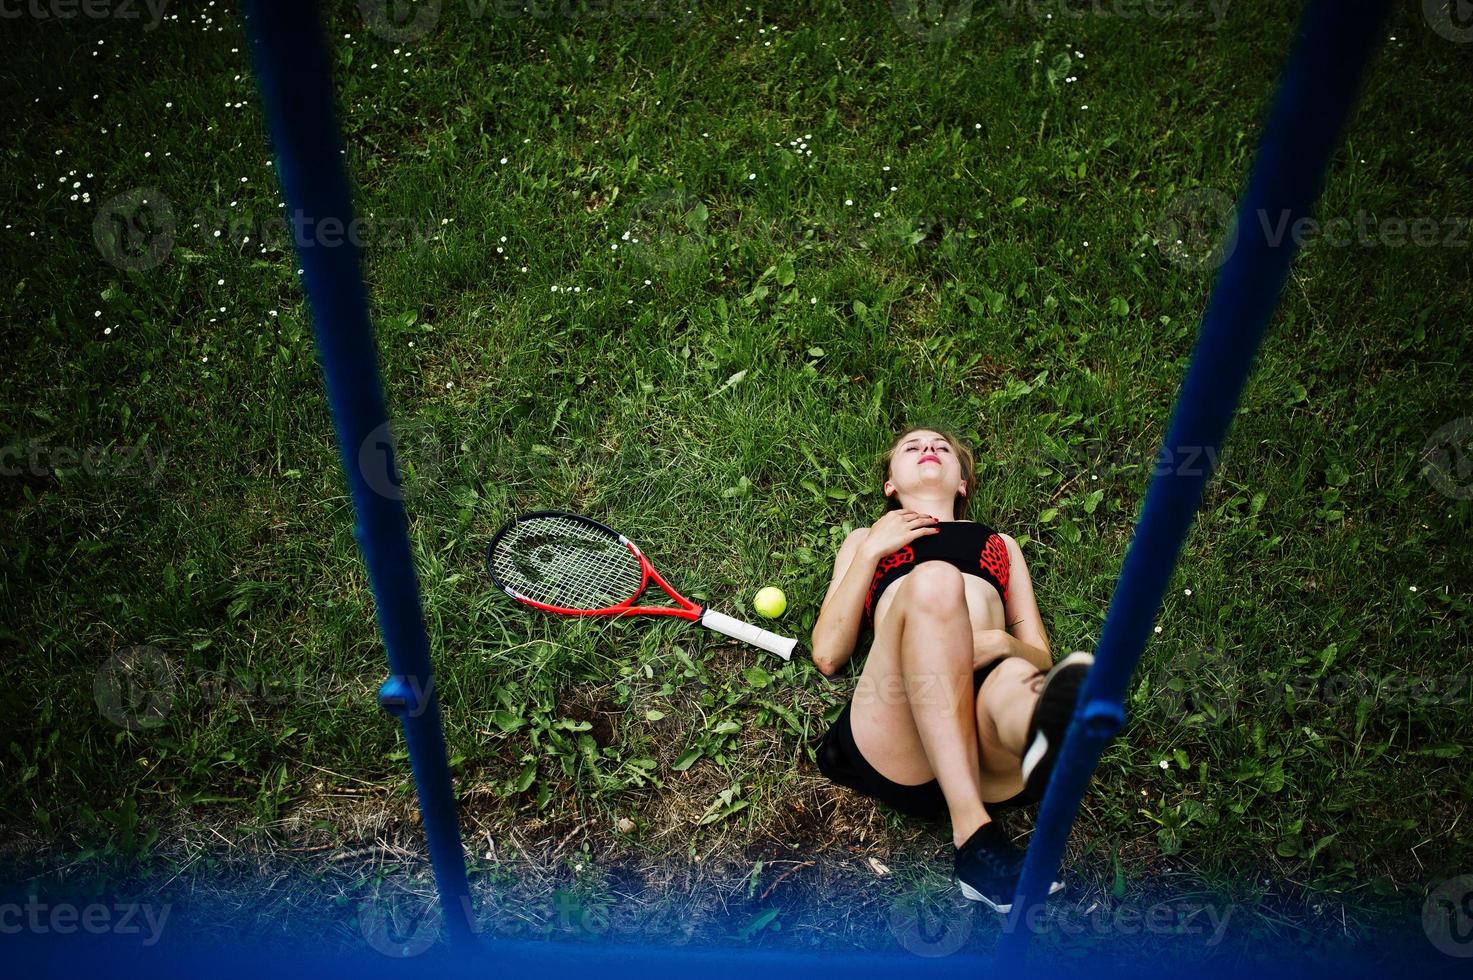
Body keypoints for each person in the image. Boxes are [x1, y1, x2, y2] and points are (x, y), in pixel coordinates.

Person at [809, 424, 1094, 912]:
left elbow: (1040, 655)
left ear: (962, 483)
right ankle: (973, 835)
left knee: (1021, 677)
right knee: (936, 581)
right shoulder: (866, 539)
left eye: (942, 447)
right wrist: (875, 549)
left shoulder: (999, 544)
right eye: (912, 447)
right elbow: (830, 654)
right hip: (900, 733)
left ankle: (1040, 736)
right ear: (890, 486)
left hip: (985, 734)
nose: (928, 449)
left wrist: (998, 642)